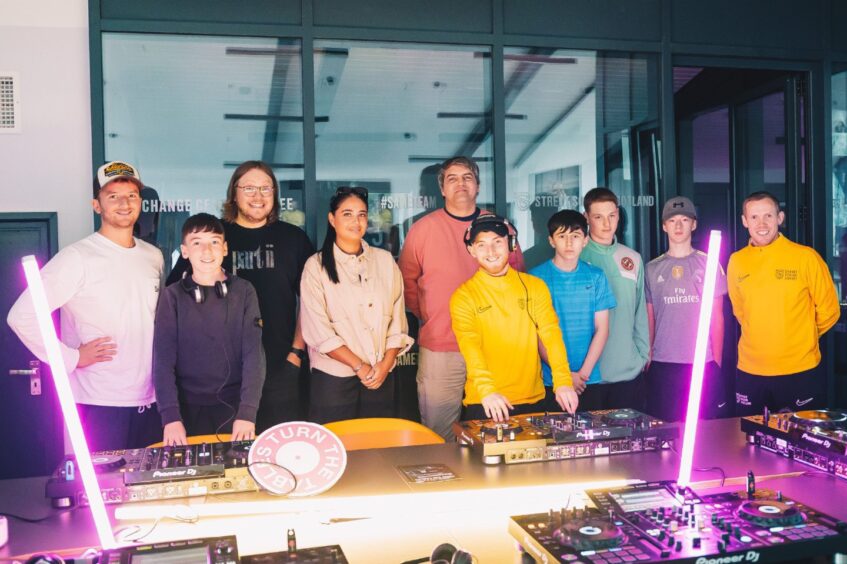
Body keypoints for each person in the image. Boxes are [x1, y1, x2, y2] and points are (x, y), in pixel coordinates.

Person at [7, 161, 164, 451]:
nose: (124, 203)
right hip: (99, 400)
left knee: (146, 491)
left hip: (151, 399)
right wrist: (71, 358)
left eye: (131, 195)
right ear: (96, 205)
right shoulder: (77, 258)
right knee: (103, 492)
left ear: (140, 202)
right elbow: (21, 316)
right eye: (113, 195)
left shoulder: (152, 256)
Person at [167, 161, 314, 431]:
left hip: (280, 367)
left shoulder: (294, 239)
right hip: (224, 378)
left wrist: (296, 352)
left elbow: (311, 302)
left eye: (265, 188)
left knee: (277, 451)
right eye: (249, 188)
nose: (258, 196)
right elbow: (176, 298)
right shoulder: (212, 237)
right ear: (234, 193)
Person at [399, 156, 524, 440]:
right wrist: (432, 317)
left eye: (467, 177)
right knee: (439, 432)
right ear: (442, 189)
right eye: (452, 178)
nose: (461, 183)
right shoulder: (423, 230)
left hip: (495, 347)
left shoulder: (501, 227)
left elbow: (518, 279)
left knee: (496, 431)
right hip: (443, 348)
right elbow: (406, 284)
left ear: (478, 186)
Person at [300, 187, 414, 423]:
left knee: (376, 447)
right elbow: (318, 332)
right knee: (337, 448)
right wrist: (359, 366)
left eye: (362, 214)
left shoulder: (384, 261)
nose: (356, 221)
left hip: (381, 375)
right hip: (334, 379)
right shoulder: (316, 266)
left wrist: (385, 364)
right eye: (347, 214)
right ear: (332, 219)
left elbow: (397, 324)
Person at [450, 214, 577, 422]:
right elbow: (470, 346)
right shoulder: (463, 296)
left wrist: (563, 381)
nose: (490, 252)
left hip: (532, 400)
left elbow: (551, 334)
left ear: (511, 245)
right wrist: (487, 391)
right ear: (471, 250)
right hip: (485, 401)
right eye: (481, 245)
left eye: (497, 242)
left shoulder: (535, 287)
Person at [153, 214, 265, 445]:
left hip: (235, 409)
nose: (207, 250)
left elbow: (254, 356)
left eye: (214, 242)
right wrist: (170, 417)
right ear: (184, 251)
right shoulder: (172, 296)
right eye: (197, 242)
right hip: (185, 411)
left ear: (225, 249)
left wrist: (247, 412)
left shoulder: (244, 291)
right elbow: (162, 361)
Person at [727, 191, 839, 415]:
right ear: (744, 221)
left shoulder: (806, 257)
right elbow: (740, 311)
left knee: (803, 440)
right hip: (750, 370)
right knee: (750, 440)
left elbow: (830, 310)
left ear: (780, 218)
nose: (762, 223)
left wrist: (802, 336)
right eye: (754, 217)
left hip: (800, 370)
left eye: (768, 216)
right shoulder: (736, 261)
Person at [645, 197, 727, 422]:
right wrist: (649, 355)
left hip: (701, 362)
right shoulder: (651, 268)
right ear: (664, 226)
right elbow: (650, 317)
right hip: (663, 363)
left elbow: (717, 317)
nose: (678, 226)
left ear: (694, 224)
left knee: (704, 429)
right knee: (665, 428)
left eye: (684, 220)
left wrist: (716, 361)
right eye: (672, 221)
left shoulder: (709, 264)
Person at [530, 210, 616, 412]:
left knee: (592, 440)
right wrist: (565, 375)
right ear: (551, 241)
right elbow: (536, 333)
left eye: (575, 236)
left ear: (585, 240)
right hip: (550, 381)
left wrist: (582, 374)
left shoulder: (596, 276)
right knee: (552, 441)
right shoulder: (535, 278)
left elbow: (602, 329)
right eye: (562, 236)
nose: (569, 243)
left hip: (588, 379)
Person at [579, 188, 650, 410]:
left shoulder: (632, 258)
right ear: (586, 218)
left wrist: (642, 353)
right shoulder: (577, 256)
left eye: (611, 215)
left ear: (618, 215)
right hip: (588, 374)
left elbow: (640, 310)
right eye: (598, 217)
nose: (607, 223)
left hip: (627, 371)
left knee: (630, 442)